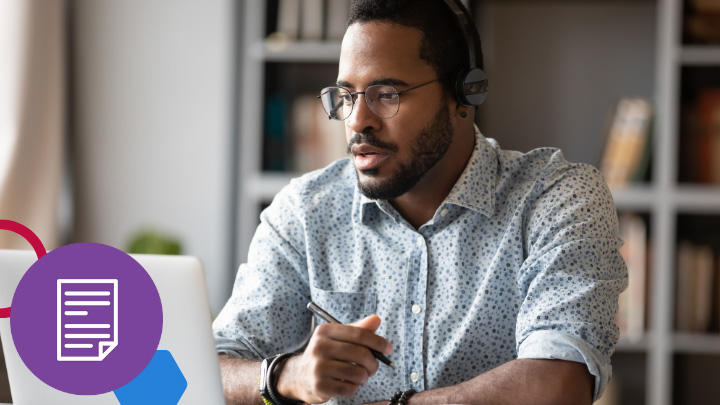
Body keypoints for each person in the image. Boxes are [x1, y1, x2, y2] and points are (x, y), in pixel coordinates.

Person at [213, 0, 627, 404]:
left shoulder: (557, 199)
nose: (358, 120)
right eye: (346, 95)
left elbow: (557, 385)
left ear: (464, 94)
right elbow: (202, 370)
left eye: (387, 93)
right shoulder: (305, 212)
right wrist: (287, 374)